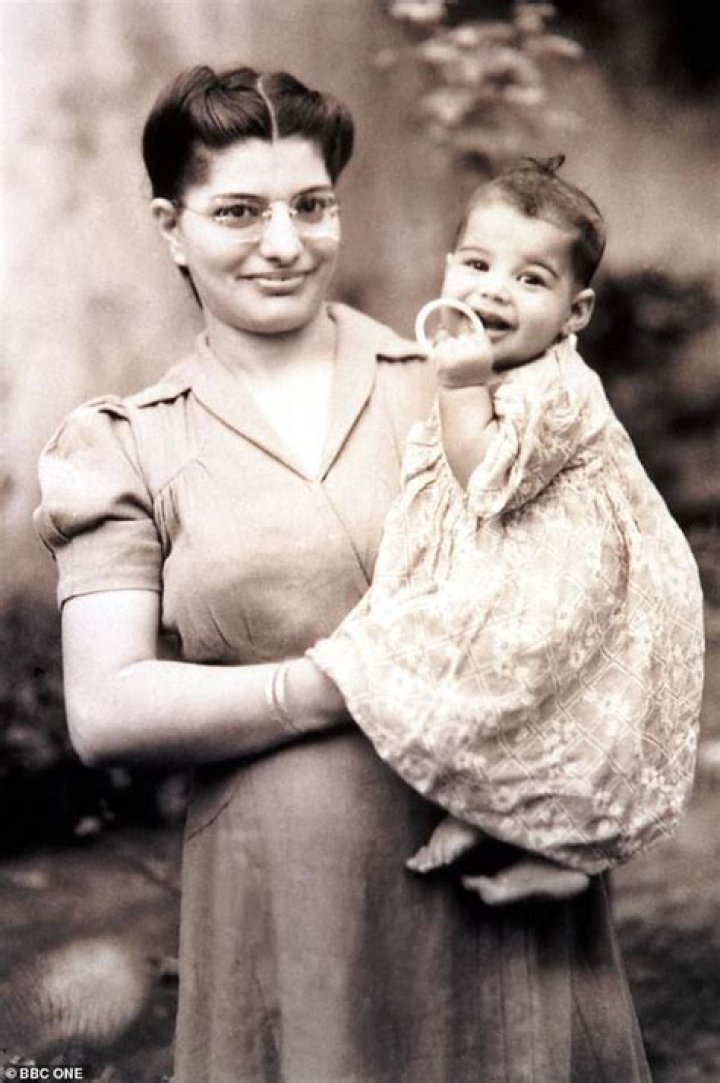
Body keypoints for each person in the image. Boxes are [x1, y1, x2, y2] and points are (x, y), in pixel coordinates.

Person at [35, 65, 655, 1082]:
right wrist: (335, 685)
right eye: (239, 211)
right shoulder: (125, 444)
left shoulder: (472, 393)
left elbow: (606, 607)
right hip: (289, 896)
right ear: (171, 227)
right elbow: (107, 709)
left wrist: (578, 831)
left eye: (311, 206)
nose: (284, 243)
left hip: (502, 872)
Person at [310, 157, 705, 906]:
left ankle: (552, 846)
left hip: (573, 580)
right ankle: (498, 815)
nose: (494, 289)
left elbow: (486, 476)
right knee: (508, 683)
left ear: (574, 313)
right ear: (448, 268)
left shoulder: (556, 387)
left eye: (530, 279)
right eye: (477, 264)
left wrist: (459, 385)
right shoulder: (502, 365)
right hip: (532, 554)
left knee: (516, 676)